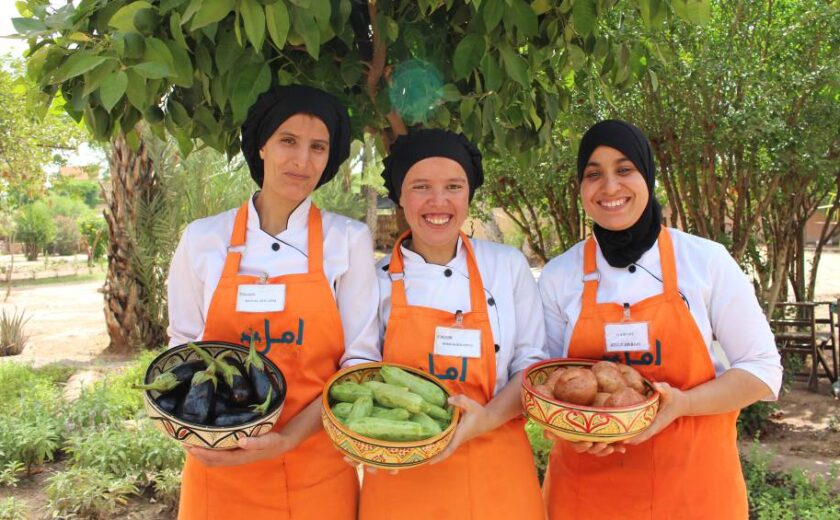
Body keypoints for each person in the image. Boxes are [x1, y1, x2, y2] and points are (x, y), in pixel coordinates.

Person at [538, 120, 783, 519]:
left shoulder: (704, 261)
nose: (610, 187)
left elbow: (762, 370)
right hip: (588, 494)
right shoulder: (559, 275)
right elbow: (545, 383)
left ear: (648, 176)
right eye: (593, 174)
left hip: (694, 488)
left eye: (624, 169)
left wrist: (684, 404)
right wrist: (563, 426)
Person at [166, 84, 380, 519]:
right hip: (218, 465)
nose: (302, 160)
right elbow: (182, 347)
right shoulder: (203, 238)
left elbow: (359, 364)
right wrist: (190, 430)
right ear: (261, 145)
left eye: (318, 147)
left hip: (315, 469)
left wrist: (288, 439)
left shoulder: (347, 240)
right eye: (288, 140)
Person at [357, 129, 546, 519]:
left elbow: (531, 366)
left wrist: (487, 418)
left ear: (469, 194)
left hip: (497, 470)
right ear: (400, 196)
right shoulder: (373, 280)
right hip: (401, 471)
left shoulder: (506, 267)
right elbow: (359, 371)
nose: (438, 201)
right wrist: (361, 438)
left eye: (453, 187)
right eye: (421, 187)